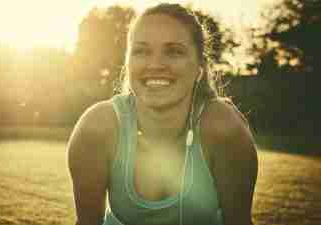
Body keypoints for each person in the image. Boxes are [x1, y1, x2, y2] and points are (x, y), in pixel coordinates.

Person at [67, 3, 258, 225]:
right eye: (141, 51)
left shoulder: (224, 129)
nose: (155, 64)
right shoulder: (97, 128)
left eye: (174, 51)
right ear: (128, 63)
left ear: (199, 68)